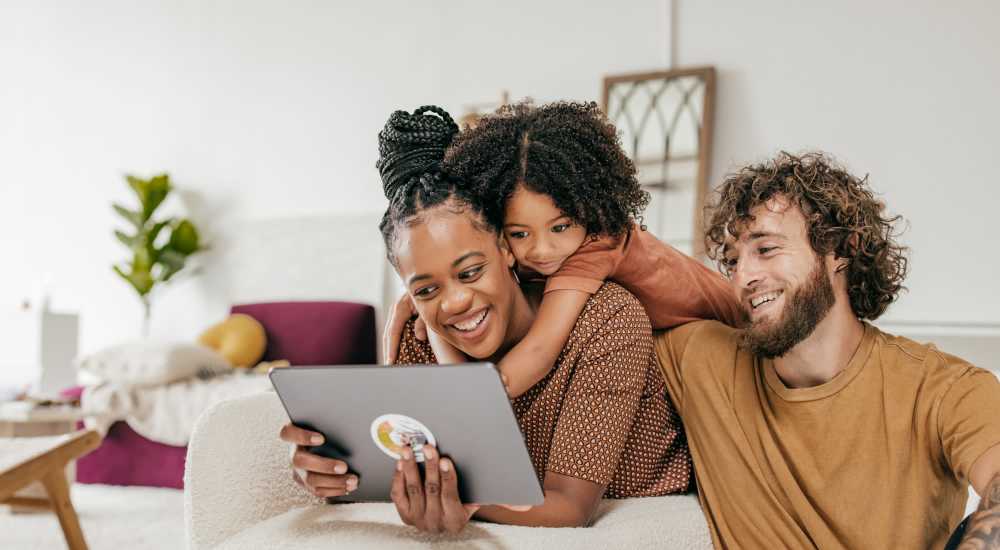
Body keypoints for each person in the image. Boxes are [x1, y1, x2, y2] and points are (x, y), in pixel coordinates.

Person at [279, 106, 691, 532]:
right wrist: (337, 475)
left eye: (470, 272)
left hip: (638, 499)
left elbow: (570, 507)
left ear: (506, 248)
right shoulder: (418, 338)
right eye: (426, 289)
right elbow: (407, 464)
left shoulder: (606, 318)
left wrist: (465, 502)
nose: (455, 302)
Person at [654, 151, 1000, 548]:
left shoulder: (941, 389)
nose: (743, 276)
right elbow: (615, 252)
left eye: (765, 249)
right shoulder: (702, 359)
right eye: (732, 261)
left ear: (841, 250)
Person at [385, 101, 743, 398]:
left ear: (589, 209)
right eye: (519, 233)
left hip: (737, 327)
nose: (542, 251)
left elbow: (540, 351)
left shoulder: (595, 246)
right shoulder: (550, 252)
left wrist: (465, 403)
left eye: (560, 227)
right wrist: (419, 298)